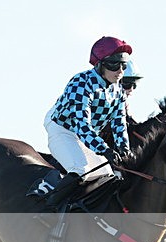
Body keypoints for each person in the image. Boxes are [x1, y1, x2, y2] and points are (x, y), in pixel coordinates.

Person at [43, 36, 133, 209]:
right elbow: (81, 124)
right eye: (114, 65)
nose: (120, 70)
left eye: (123, 65)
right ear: (99, 64)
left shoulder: (118, 91)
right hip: (62, 128)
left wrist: (124, 150)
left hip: (85, 135)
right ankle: (46, 209)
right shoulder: (80, 83)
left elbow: (119, 124)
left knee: (106, 174)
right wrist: (104, 150)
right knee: (80, 170)